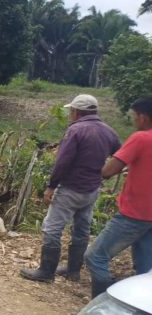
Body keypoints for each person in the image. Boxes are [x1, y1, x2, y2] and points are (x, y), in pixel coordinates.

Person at [20, 94, 121, 283]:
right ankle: (73, 271)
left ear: (76, 111)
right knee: (81, 230)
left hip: (70, 189)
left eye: (71, 111)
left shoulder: (76, 130)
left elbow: (62, 162)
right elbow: (121, 156)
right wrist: (104, 173)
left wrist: (51, 187)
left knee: (52, 229)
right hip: (91, 191)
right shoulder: (109, 132)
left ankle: (46, 272)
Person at [85, 96, 152, 298]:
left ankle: (101, 306)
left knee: (95, 256)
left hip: (135, 213)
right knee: (145, 267)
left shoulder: (141, 138)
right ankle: (140, 313)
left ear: (142, 117)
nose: (133, 121)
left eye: (133, 117)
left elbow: (108, 171)